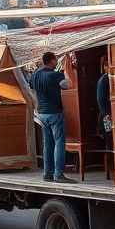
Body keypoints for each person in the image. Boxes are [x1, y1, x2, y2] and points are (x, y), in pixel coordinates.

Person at [30, 51, 75, 183]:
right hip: (54, 113)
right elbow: (68, 85)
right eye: (56, 60)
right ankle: (58, 174)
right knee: (59, 143)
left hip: (41, 114)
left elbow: (31, 87)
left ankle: (47, 173)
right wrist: (67, 69)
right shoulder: (55, 75)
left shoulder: (35, 75)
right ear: (51, 61)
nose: (57, 62)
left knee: (47, 144)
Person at [95, 56, 113, 177]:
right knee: (110, 139)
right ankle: (111, 168)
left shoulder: (108, 78)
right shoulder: (104, 80)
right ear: (106, 66)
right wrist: (107, 115)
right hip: (106, 116)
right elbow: (101, 100)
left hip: (108, 114)